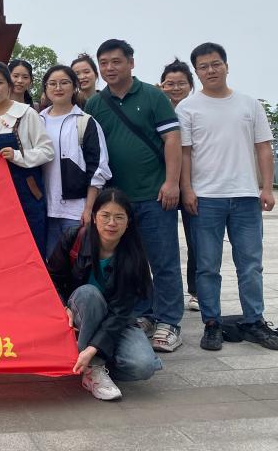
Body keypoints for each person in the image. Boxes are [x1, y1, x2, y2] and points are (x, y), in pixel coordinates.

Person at [178, 42, 278, 352]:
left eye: (216, 64)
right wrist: (187, 190)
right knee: (207, 266)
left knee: (250, 264)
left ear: (226, 66)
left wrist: (267, 187)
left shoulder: (249, 105)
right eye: (203, 67)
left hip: (245, 196)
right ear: (196, 72)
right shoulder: (188, 108)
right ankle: (212, 323)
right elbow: (184, 153)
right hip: (206, 197)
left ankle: (254, 321)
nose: (211, 70)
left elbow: (263, 147)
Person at [83, 39, 184, 353]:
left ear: (131, 63)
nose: (109, 68)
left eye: (116, 61)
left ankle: (170, 321)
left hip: (154, 194)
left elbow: (172, 139)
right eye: (104, 63)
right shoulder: (95, 104)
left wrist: (172, 183)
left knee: (163, 259)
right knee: (131, 260)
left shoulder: (154, 96)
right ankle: (144, 313)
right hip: (117, 202)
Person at [47, 189, 161, 400]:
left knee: (144, 367)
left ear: (128, 222)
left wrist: (94, 347)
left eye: (119, 217)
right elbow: (50, 278)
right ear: (94, 217)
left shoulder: (134, 255)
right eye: (105, 215)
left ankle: (93, 361)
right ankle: (94, 368)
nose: (111, 223)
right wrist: (62, 306)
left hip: (115, 318)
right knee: (89, 294)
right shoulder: (74, 237)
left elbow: (121, 312)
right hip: (78, 312)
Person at [0, 61, 54, 251]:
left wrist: (17, 156)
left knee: (31, 246)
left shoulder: (27, 114)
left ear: (9, 85)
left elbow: (47, 151)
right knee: (0, 249)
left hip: (27, 192)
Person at [39, 65, 111, 258]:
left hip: (76, 211)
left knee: (78, 264)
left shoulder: (85, 122)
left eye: (64, 83)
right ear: (45, 88)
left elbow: (98, 167)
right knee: (50, 265)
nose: (58, 88)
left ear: (74, 87)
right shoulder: (37, 121)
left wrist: (89, 209)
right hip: (44, 210)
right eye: (52, 83)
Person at [160, 58, 200, 313]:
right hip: (163, 183)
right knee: (164, 242)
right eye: (169, 83)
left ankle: (196, 291)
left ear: (190, 85)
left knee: (196, 239)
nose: (175, 88)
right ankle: (164, 291)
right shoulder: (157, 108)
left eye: (181, 83)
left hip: (194, 183)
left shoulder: (197, 109)